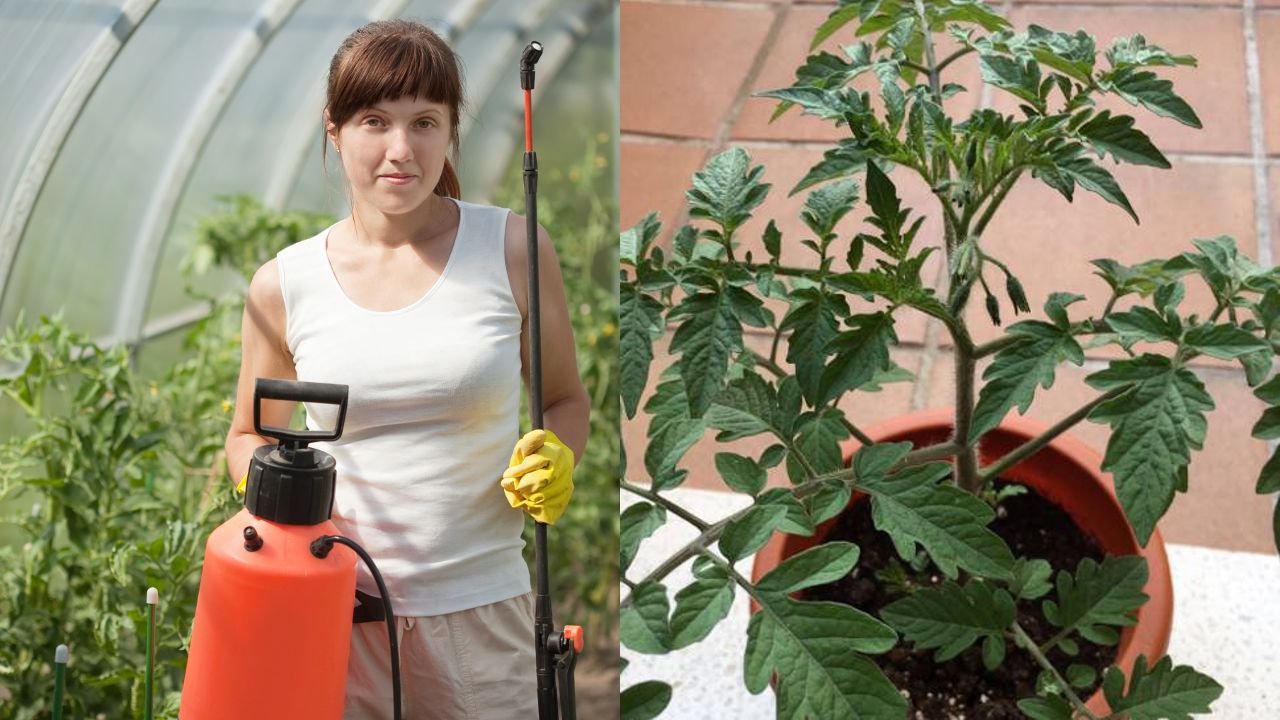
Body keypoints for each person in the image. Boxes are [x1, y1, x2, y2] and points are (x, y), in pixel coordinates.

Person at [222, 18, 589, 719]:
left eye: (424, 122)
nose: (400, 150)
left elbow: (566, 398)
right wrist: (272, 491)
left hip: (482, 616)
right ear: (335, 132)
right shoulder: (285, 283)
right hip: (332, 613)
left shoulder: (512, 247)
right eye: (373, 121)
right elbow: (245, 435)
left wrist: (558, 453)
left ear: (451, 129)